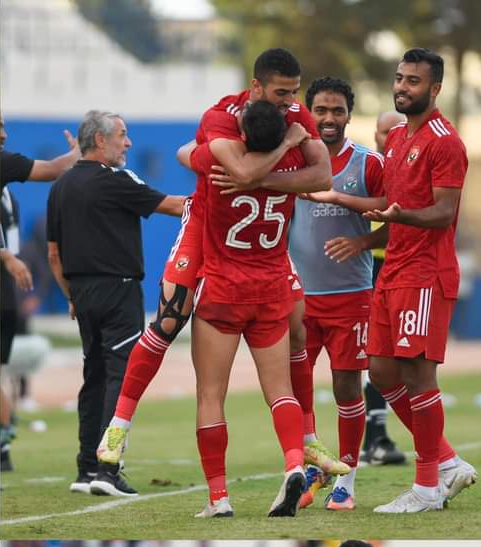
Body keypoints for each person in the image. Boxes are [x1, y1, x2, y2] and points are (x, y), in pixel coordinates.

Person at [97, 49, 331, 474]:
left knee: (298, 327)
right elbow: (218, 165)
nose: (290, 103)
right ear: (256, 87)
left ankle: (309, 440)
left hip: (261, 247)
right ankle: (119, 424)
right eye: (281, 93)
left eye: (294, 93)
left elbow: (321, 176)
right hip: (205, 230)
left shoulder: (295, 117)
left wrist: (265, 176)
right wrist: (284, 156)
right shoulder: (224, 115)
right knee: (169, 321)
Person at [326, 49, 476, 513]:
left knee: (418, 375)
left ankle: (427, 486)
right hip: (392, 270)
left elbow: (443, 212)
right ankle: (448, 462)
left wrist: (397, 215)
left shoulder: (445, 142)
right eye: (399, 78)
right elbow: (389, 207)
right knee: (380, 371)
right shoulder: (395, 139)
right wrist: (349, 213)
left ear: (435, 89)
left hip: (426, 274)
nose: (402, 87)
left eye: (413, 81)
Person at [177, 101, 331, 519]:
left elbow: (185, 152)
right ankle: (294, 464)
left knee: (211, 394)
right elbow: (320, 173)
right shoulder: (294, 164)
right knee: (281, 391)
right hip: (270, 289)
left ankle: (218, 498)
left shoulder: (219, 162)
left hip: (224, 289)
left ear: (242, 134)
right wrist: (290, 143)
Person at [45, 111, 187, 498]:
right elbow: (175, 206)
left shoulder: (60, 186)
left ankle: (86, 468)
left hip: (82, 294)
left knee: (93, 377)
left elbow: (53, 254)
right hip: (118, 290)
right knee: (119, 378)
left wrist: (71, 296)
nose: (128, 143)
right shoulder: (116, 179)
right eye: (122, 135)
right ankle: (108, 470)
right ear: (100, 140)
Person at [289, 76, 386, 510]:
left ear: (349, 114)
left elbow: (400, 215)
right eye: (321, 110)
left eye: (337, 111)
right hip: (299, 297)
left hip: (351, 296)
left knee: (348, 387)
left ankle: (347, 478)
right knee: (295, 388)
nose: (329, 118)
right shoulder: (290, 163)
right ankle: (310, 464)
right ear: (308, 113)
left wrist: (363, 242)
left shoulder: (367, 163)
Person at [0, 116, 80, 472]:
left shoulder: (7, 192)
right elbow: (52, 169)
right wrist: (79, 153)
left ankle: (3, 441)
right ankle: (3, 440)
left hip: (7, 290)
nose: (3, 134)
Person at [359, 114, 407, 466]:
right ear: (375, 135)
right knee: (373, 354)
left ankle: (375, 437)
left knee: (397, 358)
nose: (391, 137)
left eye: (397, 131)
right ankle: (374, 437)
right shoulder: (369, 169)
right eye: (385, 132)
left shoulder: (409, 168)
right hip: (370, 268)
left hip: (404, 269)